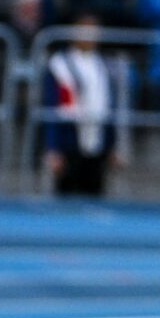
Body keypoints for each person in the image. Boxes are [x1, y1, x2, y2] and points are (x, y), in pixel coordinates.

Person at [42, 14, 124, 197]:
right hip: (70, 141)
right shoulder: (60, 64)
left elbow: (108, 107)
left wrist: (112, 146)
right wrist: (53, 148)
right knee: (67, 198)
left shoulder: (104, 65)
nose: (90, 37)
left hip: (97, 143)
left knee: (95, 194)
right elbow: (53, 109)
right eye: (85, 32)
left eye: (94, 33)